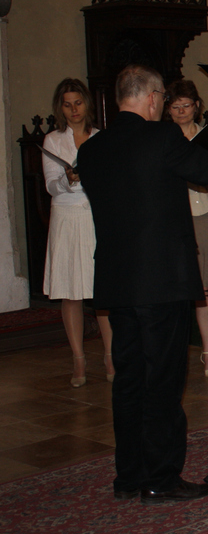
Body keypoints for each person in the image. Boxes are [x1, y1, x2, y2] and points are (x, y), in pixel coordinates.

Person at [78, 64, 208, 504]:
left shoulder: (92, 148)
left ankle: (128, 476)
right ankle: (161, 477)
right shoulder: (161, 137)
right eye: (161, 99)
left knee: (129, 381)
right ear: (152, 97)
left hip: (118, 282)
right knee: (162, 381)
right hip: (161, 281)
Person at [42, 78, 114, 387]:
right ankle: (79, 359)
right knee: (71, 292)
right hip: (67, 217)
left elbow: (111, 179)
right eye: (67, 105)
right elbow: (50, 185)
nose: (74, 110)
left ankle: (110, 356)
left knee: (102, 291)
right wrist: (67, 179)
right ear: (60, 108)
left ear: (87, 104)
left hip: (95, 215)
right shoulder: (53, 140)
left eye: (78, 103)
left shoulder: (100, 137)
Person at [165, 80, 208, 379]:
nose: (181, 111)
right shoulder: (163, 137)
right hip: (172, 214)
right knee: (173, 286)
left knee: (206, 287)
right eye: (175, 107)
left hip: (203, 210)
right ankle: (174, 353)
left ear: (197, 106)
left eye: (186, 106)